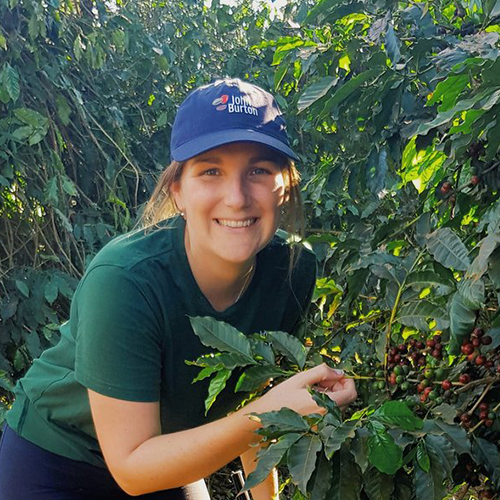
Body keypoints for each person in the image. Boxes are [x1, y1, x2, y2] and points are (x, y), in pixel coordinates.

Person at [0, 78, 356, 500]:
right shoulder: (125, 280)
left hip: (166, 450)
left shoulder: (293, 271)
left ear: (285, 187)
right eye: (210, 171)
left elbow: (260, 395)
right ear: (178, 192)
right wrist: (269, 414)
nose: (237, 197)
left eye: (259, 170)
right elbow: (134, 468)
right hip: (57, 459)